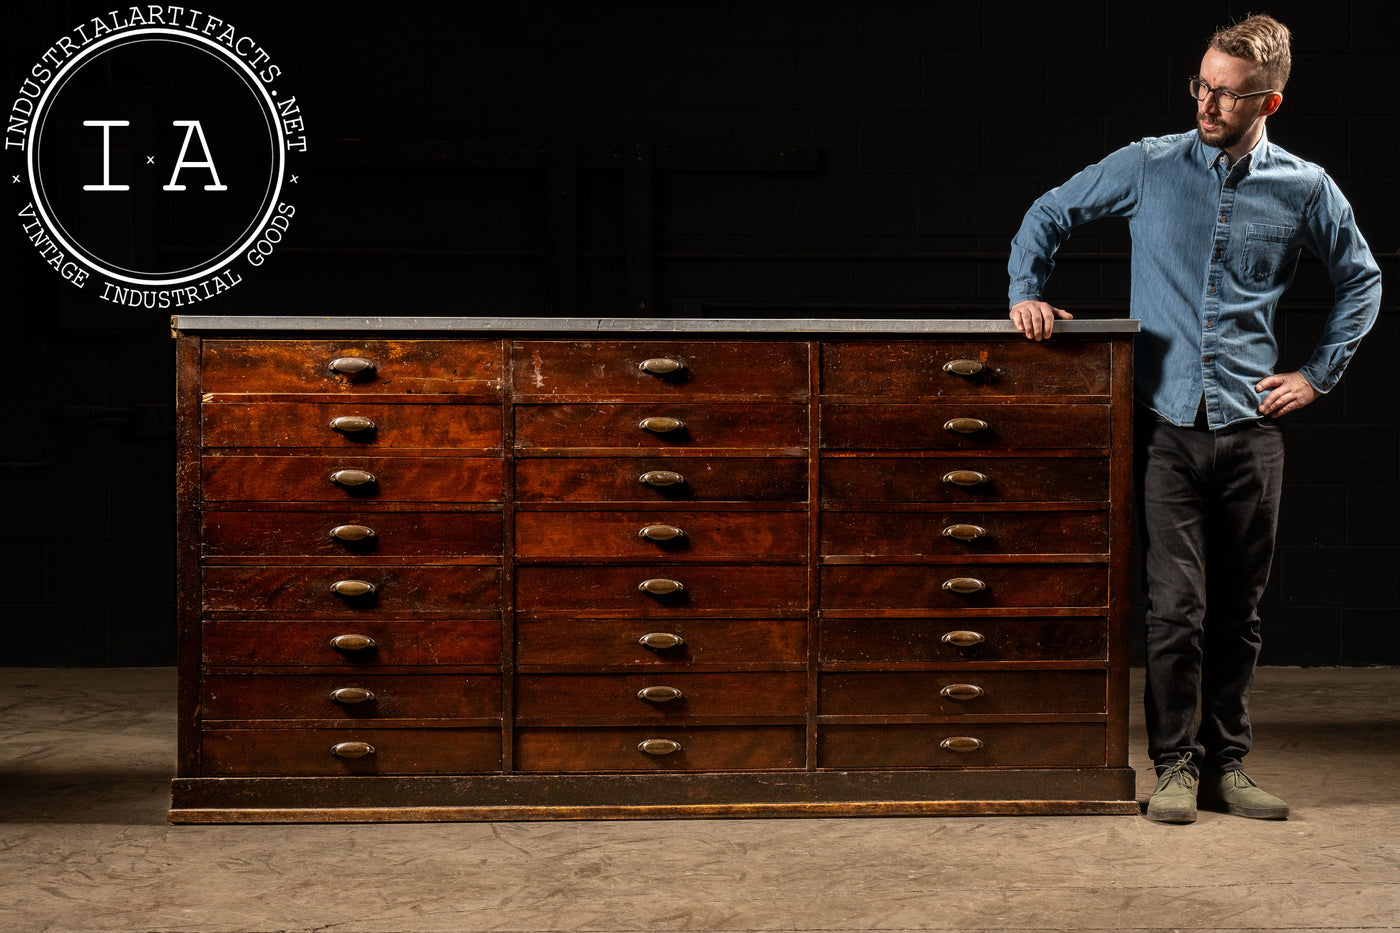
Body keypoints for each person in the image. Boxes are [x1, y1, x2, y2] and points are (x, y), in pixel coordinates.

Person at [1006, 14, 1382, 823]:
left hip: (1251, 432)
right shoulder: (1148, 165)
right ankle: (1175, 763)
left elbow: (1363, 280)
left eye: (1228, 94)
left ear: (1268, 102)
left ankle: (1227, 765)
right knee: (1176, 608)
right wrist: (1026, 292)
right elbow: (1049, 212)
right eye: (1202, 85)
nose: (1208, 104)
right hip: (1164, 428)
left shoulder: (1305, 187)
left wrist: (1316, 375)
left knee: (1238, 612)